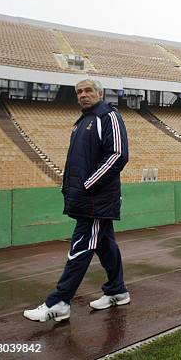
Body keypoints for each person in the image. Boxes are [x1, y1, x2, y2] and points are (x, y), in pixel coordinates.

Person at [24, 79, 130, 322]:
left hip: (95, 201)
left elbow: (118, 155)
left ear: (100, 93)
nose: (83, 95)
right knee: (105, 246)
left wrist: (88, 185)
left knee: (80, 248)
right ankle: (118, 290)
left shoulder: (108, 116)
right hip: (86, 199)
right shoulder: (82, 121)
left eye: (88, 90)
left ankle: (59, 301)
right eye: (79, 92)